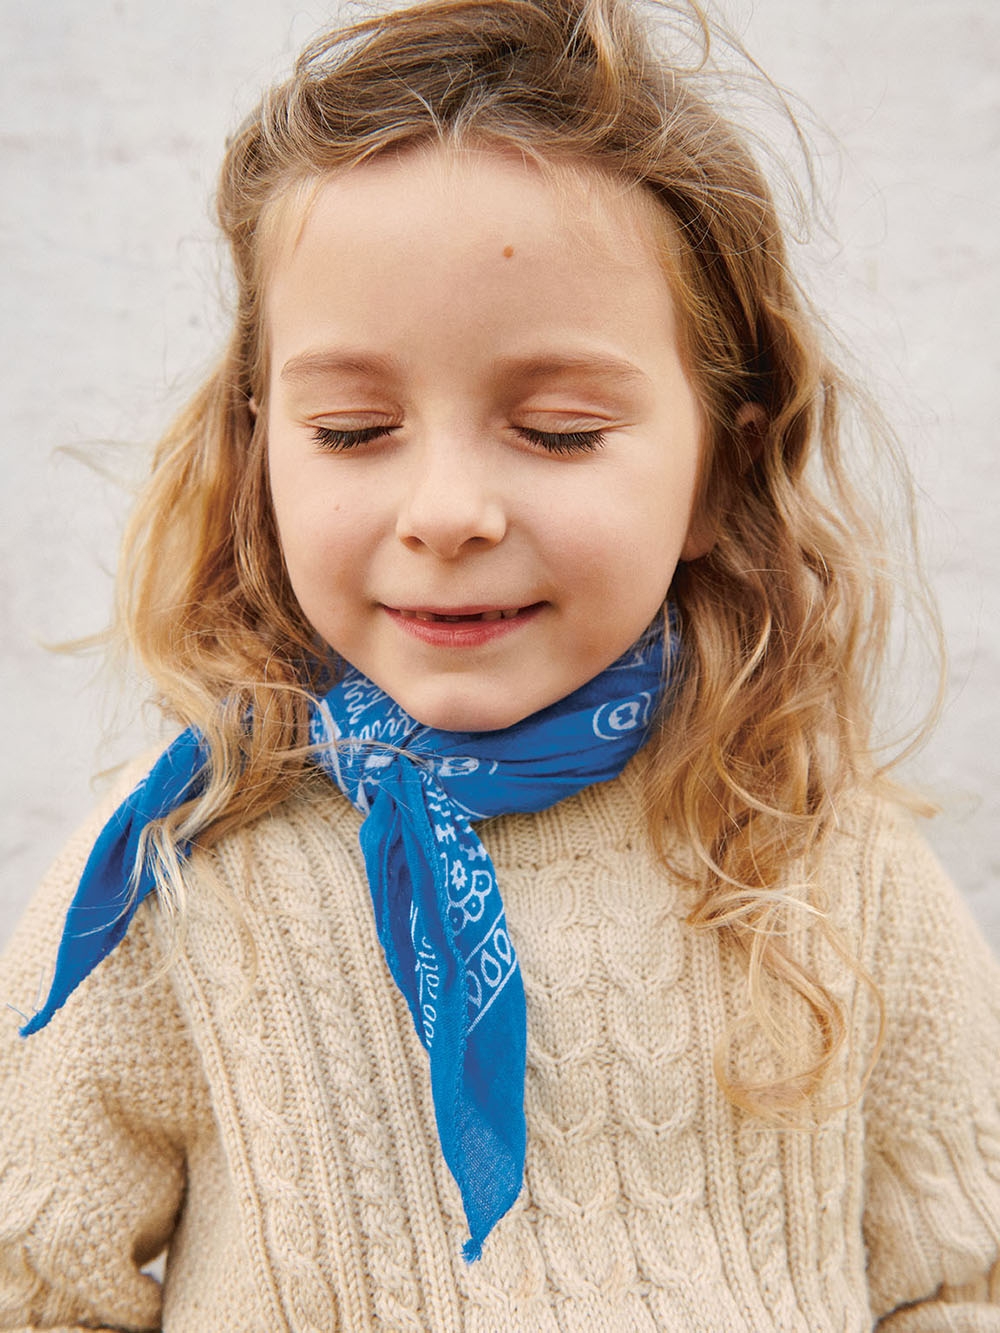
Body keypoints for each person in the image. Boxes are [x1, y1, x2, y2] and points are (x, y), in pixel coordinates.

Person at [2, 0, 998, 1327]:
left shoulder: (826, 864)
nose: (447, 512)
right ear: (260, 451)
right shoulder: (169, 877)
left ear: (721, 471)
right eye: (353, 430)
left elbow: (960, 1279)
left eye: (559, 429)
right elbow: (36, 1288)